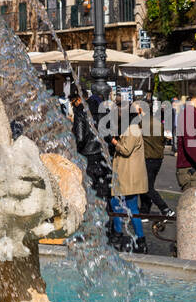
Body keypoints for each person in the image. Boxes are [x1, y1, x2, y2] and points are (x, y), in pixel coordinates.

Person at [110, 112, 147, 254]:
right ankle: (138, 239)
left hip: (129, 176)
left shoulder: (132, 130)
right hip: (127, 175)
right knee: (124, 205)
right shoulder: (132, 129)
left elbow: (125, 150)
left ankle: (129, 238)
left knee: (122, 205)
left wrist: (113, 141)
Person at [71, 92, 112, 201]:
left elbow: (80, 137)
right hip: (103, 155)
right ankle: (107, 215)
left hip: (87, 155)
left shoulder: (80, 110)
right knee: (103, 190)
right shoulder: (104, 110)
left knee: (88, 190)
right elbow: (109, 135)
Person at [139, 100, 171, 217]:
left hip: (148, 158)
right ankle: (144, 211)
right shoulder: (158, 122)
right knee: (148, 185)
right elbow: (162, 140)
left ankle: (165, 208)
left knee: (146, 187)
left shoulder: (142, 123)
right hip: (158, 158)